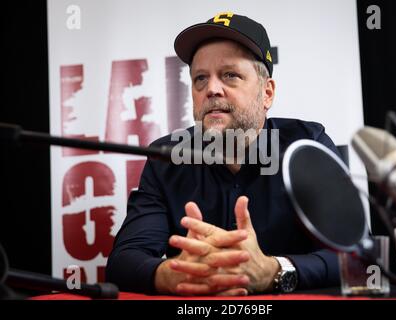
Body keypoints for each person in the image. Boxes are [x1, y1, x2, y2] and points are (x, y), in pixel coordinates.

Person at [106, 12, 341, 296]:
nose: (212, 89)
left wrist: (274, 271)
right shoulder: (166, 157)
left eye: (230, 75)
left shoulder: (307, 145)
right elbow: (123, 260)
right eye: (200, 79)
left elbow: (352, 256)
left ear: (267, 93)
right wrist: (180, 274)